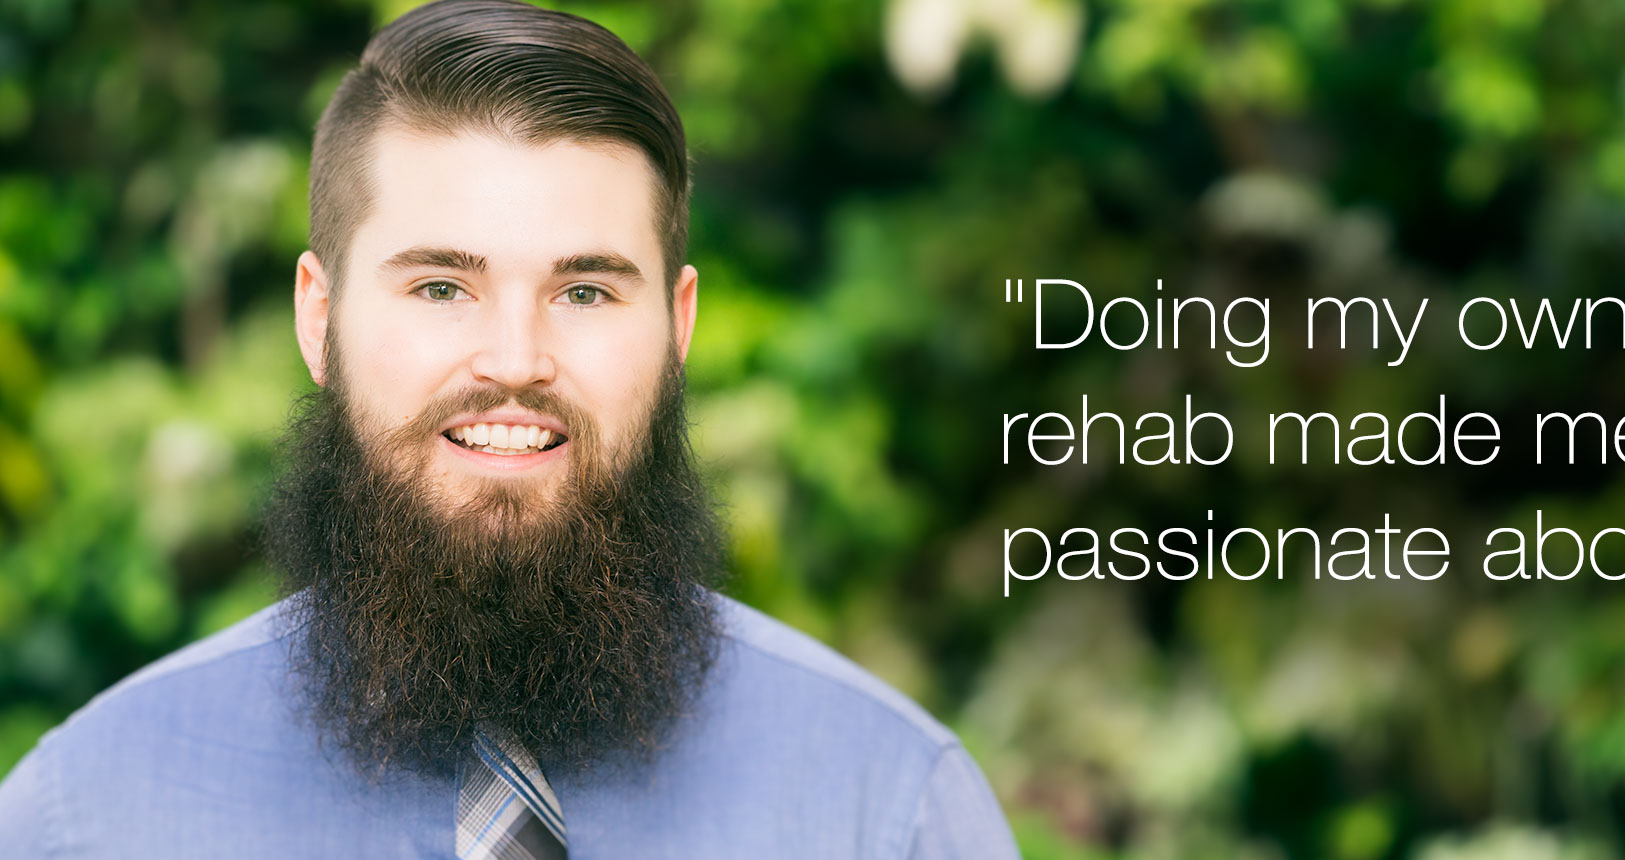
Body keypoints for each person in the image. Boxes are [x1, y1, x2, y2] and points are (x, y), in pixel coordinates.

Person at [0, 1, 1021, 857]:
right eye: (441, 284)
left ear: (678, 326)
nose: (515, 357)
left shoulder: (891, 810)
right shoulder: (84, 815)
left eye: (584, 290)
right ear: (320, 317)